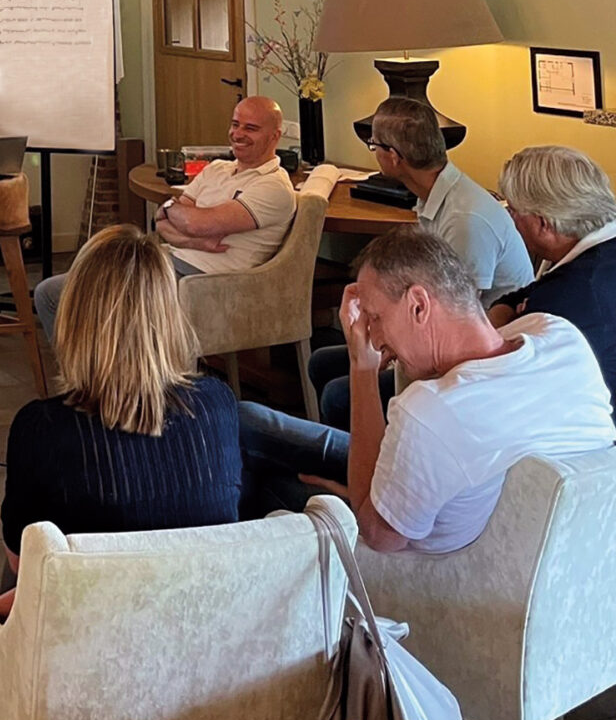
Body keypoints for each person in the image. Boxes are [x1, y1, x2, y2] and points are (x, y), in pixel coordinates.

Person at [239, 226, 615, 551]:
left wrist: (362, 367)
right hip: (519, 534)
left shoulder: (430, 411)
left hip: (409, 570)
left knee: (265, 470)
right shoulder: (560, 338)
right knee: (249, 420)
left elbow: (377, 535)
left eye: (375, 317)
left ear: (419, 305)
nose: (373, 337)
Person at [0, 226, 240, 622]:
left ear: (74, 317)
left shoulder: (41, 428)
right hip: (201, 625)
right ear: (170, 315)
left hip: (92, 632)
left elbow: (21, 562)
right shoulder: (218, 404)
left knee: (21, 569)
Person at [310, 97, 533, 427]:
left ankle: (378, 452)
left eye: (374, 145)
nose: (373, 153)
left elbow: (455, 316)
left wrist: (391, 344)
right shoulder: (435, 196)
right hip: (434, 327)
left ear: (393, 157)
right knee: (321, 362)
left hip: (474, 357)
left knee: (337, 395)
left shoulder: (465, 219)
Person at [33, 96, 295, 342]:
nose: (238, 134)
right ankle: (88, 374)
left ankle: (115, 372)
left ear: (275, 136)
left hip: (204, 282)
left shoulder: (273, 186)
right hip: (163, 263)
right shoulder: (217, 168)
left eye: (250, 128)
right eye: (235, 124)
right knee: (51, 293)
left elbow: (194, 223)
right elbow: (162, 222)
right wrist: (190, 233)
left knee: (85, 306)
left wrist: (178, 215)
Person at [493, 145, 616, 402]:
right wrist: (513, 310)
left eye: (512, 210)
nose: (511, 219)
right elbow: (520, 296)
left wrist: (507, 319)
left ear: (543, 224)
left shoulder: (573, 293)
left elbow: (500, 367)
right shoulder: (598, 252)